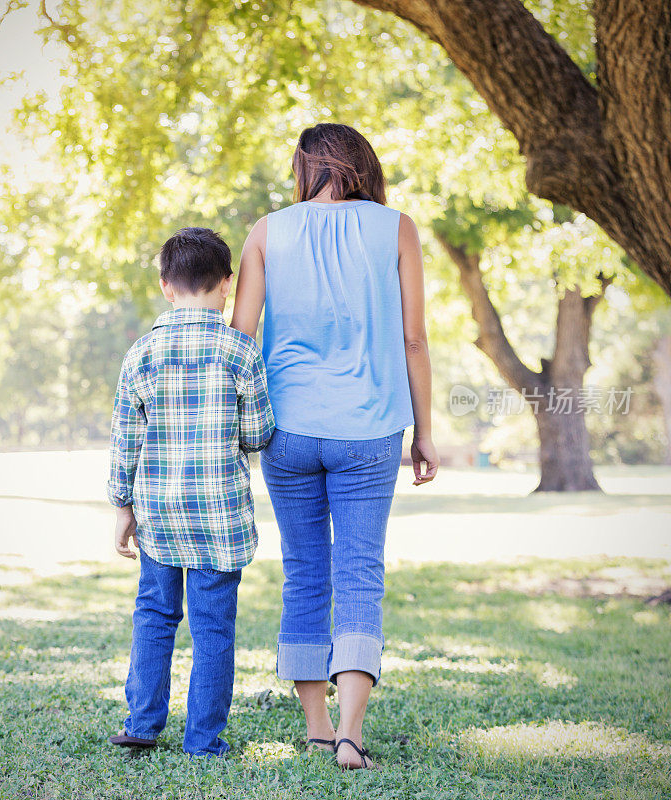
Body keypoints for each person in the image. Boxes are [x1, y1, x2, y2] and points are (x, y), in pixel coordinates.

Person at [231, 123, 439, 769]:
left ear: (304, 167)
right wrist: (425, 431)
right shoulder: (395, 227)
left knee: (304, 572)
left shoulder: (267, 231)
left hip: (286, 429)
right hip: (372, 427)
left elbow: (240, 337)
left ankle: (317, 726)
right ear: (362, 165)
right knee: (358, 573)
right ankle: (350, 734)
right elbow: (413, 340)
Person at [106, 227, 275, 758]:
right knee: (213, 631)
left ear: (164, 286)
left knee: (154, 616)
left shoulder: (142, 354)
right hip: (219, 520)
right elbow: (258, 434)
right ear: (227, 284)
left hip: (159, 515)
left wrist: (122, 506)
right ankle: (203, 739)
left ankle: (143, 723)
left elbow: (124, 439)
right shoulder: (241, 351)